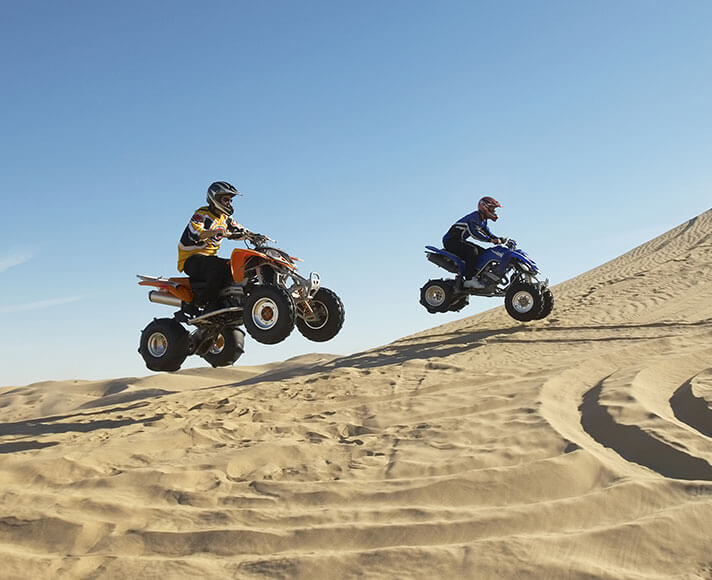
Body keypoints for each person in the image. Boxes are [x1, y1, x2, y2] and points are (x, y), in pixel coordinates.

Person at [177, 181, 251, 310]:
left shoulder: (226, 218)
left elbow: (239, 230)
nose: (229, 203)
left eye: (230, 200)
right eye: (226, 199)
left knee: (236, 266)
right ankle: (206, 303)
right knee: (216, 267)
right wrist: (217, 232)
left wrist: (253, 235)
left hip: (209, 259)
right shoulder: (201, 214)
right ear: (215, 198)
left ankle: (229, 300)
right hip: (191, 260)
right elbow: (195, 232)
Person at [442, 196, 507, 288]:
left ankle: (479, 275)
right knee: (472, 251)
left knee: (484, 252)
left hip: (459, 241)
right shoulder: (474, 217)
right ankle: (469, 279)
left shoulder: (483, 220)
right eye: (492, 209)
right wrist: (491, 240)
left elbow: (488, 233)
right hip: (450, 241)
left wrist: (500, 239)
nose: (494, 212)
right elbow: (475, 233)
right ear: (485, 207)